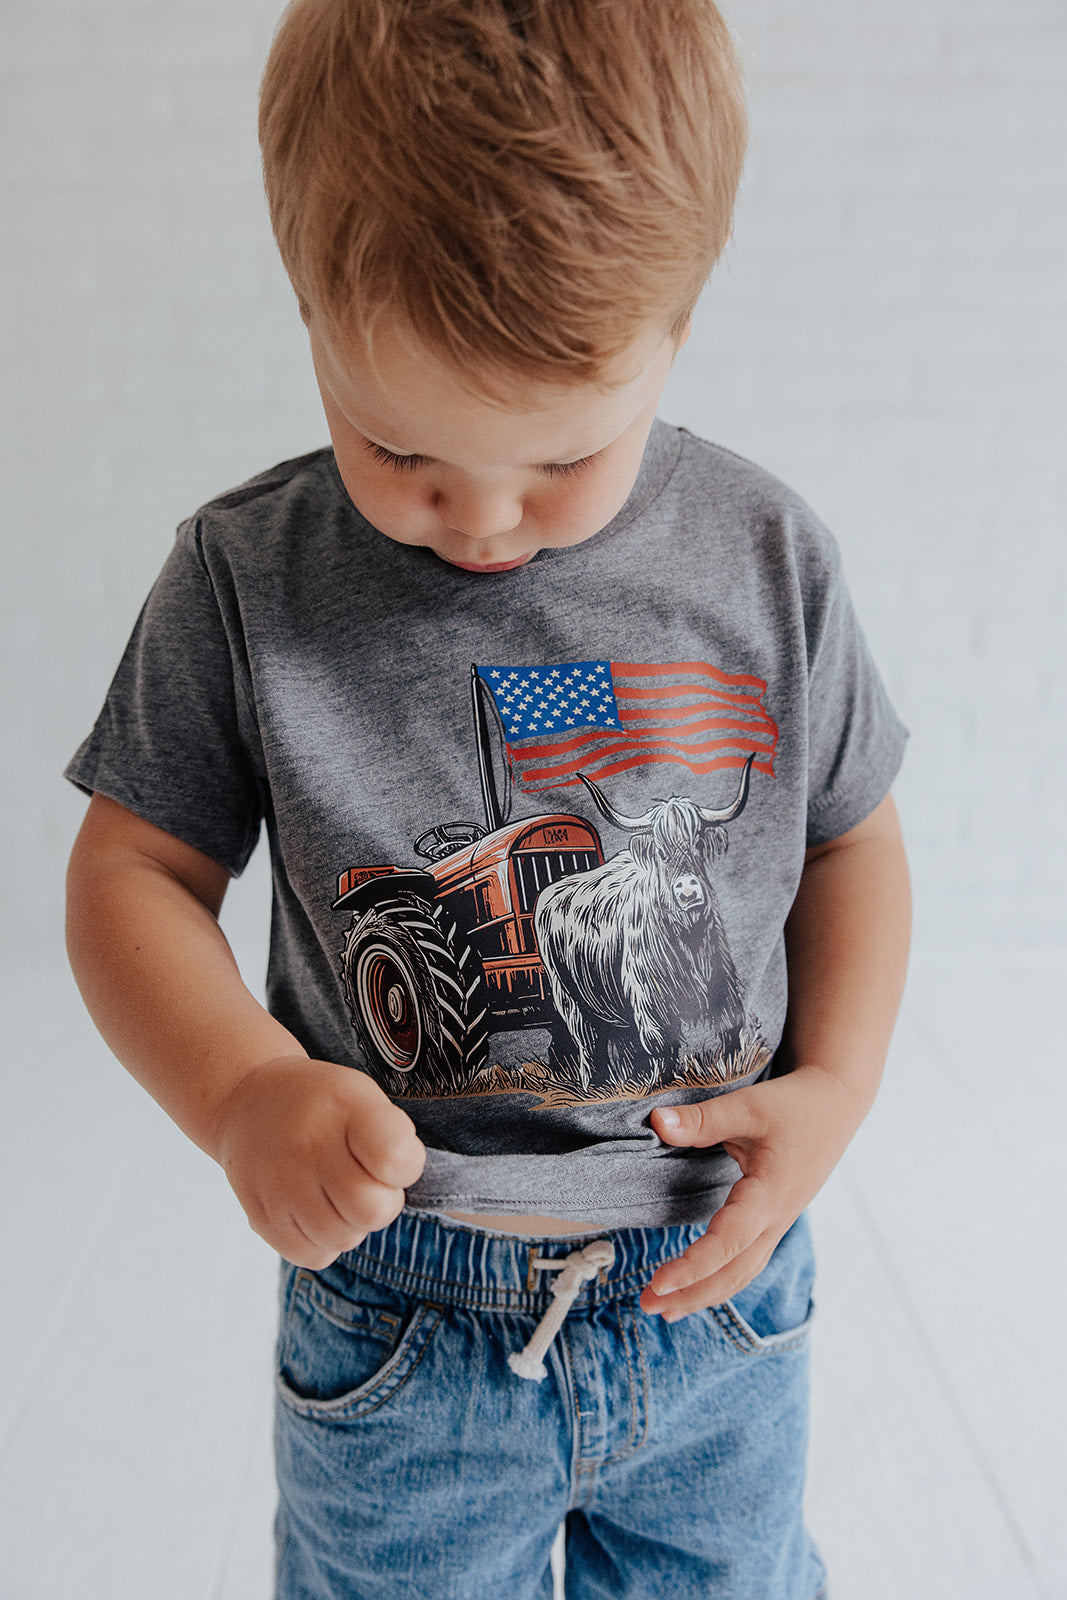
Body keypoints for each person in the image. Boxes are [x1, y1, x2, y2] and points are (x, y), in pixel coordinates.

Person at [64, 2, 911, 1596]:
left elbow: (855, 833)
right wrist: (243, 1092)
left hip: (714, 1281)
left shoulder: (766, 560)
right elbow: (133, 874)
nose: (483, 525)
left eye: (561, 462)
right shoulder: (248, 581)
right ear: (307, 310)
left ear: (680, 325)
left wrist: (839, 1086)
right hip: (400, 1310)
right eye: (398, 450)